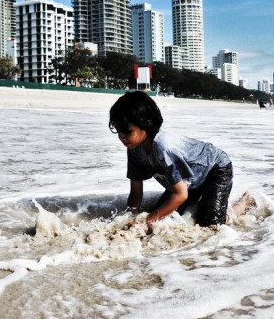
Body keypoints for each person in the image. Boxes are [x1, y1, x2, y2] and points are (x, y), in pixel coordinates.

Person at [109, 91, 255, 230]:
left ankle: (243, 204)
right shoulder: (134, 149)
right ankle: (203, 204)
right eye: (118, 130)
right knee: (160, 219)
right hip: (187, 182)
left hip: (215, 168)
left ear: (146, 123)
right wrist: (129, 217)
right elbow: (136, 192)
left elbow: (180, 195)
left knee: (211, 225)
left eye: (127, 131)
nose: (122, 137)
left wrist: (146, 222)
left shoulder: (164, 147)